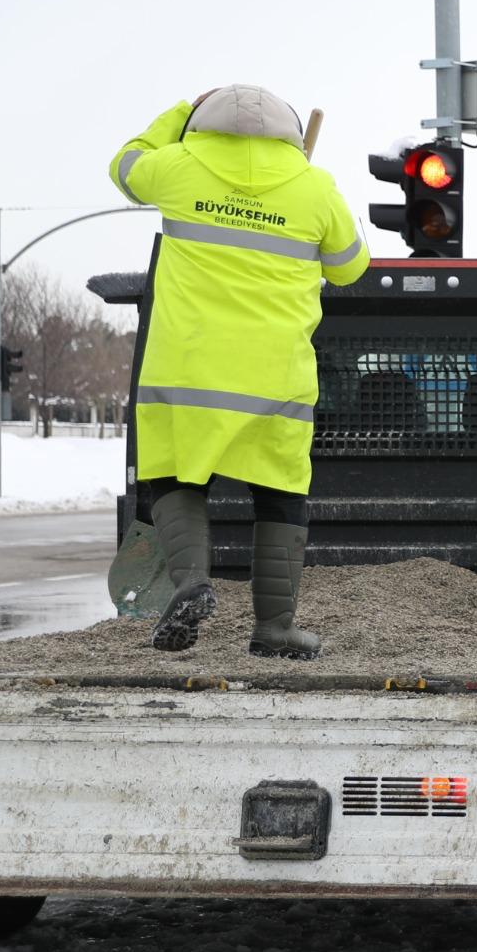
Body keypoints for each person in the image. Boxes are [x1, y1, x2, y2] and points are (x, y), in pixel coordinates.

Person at [108, 88, 369, 659]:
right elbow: (351, 267)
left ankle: (190, 583)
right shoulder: (314, 186)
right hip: (277, 380)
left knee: (177, 481)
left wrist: (178, 113)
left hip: (187, 372)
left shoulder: (179, 167)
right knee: (280, 497)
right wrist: (310, 204)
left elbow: (125, 165)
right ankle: (274, 629)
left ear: (203, 127)